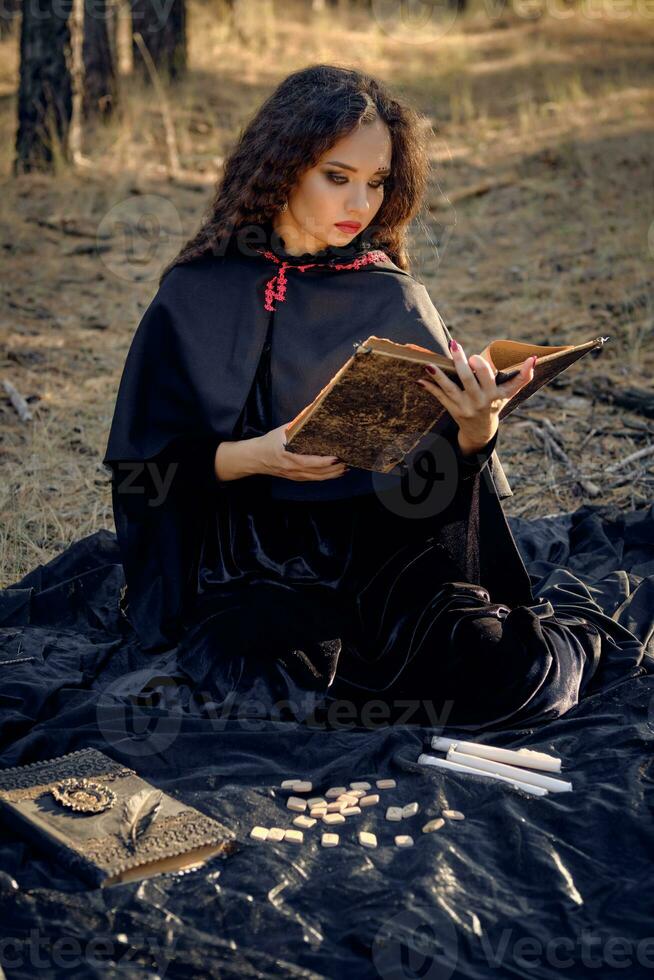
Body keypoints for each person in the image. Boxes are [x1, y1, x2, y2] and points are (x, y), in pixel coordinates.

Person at [102, 64, 645, 732]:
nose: (360, 203)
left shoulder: (393, 297)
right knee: (244, 687)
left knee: (501, 669)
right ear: (282, 168)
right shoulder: (196, 293)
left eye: (377, 181)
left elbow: (435, 499)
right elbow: (145, 472)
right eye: (338, 177)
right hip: (245, 567)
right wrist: (257, 457)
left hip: (380, 557)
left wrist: (476, 432)